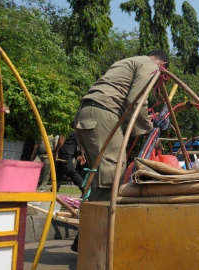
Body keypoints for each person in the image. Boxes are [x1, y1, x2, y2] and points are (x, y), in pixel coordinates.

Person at [70, 50, 168, 252]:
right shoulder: (150, 66)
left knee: (100, 176)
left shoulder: (127, 62)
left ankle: (85, 238)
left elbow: (127, 100)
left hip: (87, 114)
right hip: (103, 114)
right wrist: (150, 132)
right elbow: (137, 99)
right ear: (162, 64)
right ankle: (95, 242)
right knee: (112, 175)